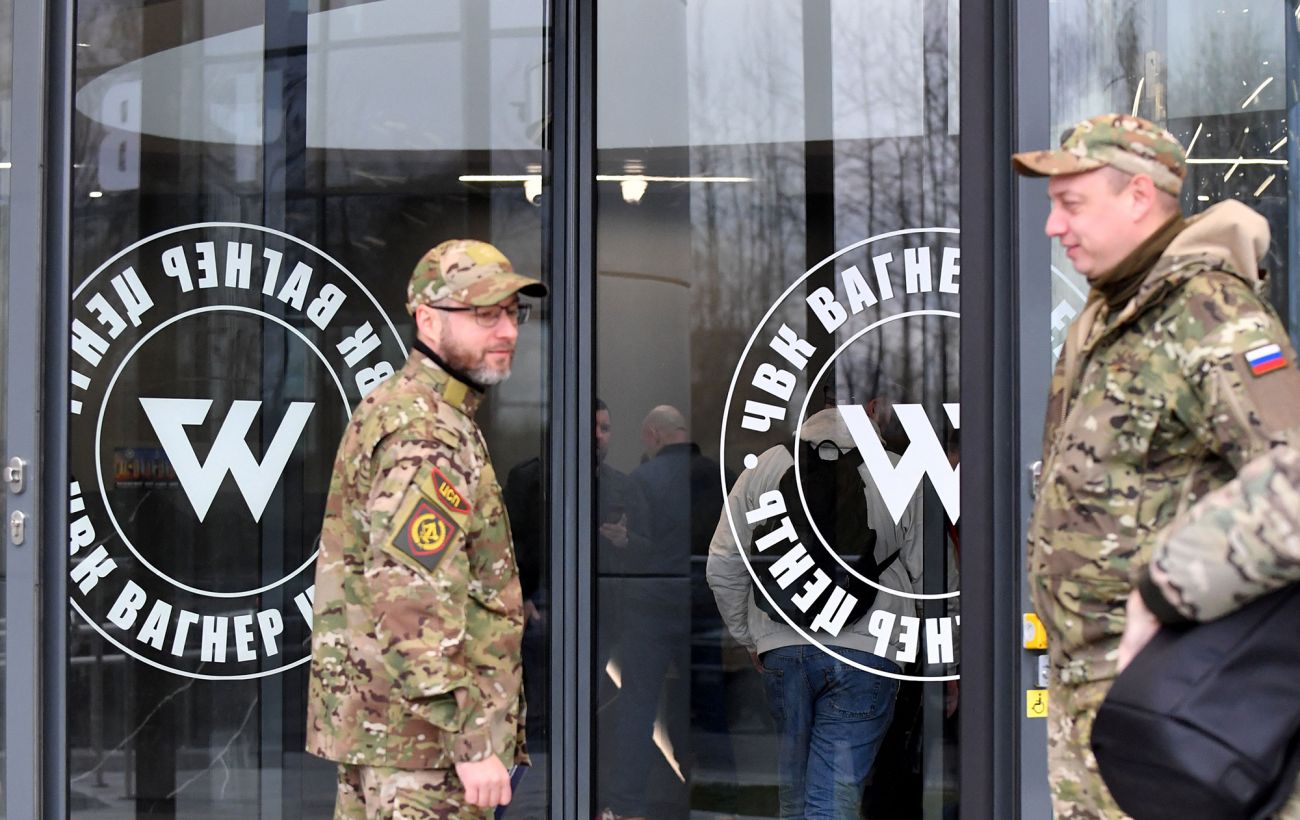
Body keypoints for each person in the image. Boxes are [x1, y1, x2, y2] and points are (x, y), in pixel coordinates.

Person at [1014, 113, 1300, 818]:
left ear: (1139, 195)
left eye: (1071, 203)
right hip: (1096, 704)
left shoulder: (1210, 315)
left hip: (1180, 707)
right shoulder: (1110, 318)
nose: (1053, 226)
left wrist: (1172, 585)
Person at [305, 239, 547, 818]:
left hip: (394, 738)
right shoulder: (425, 430)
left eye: (512, 312)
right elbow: (410, 596)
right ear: (428, 320)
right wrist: (469, 741)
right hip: (421, 755)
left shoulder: (415, 410)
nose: (507, 331)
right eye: (484, 314)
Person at [706, 393, 923, 819]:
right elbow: (935, 574)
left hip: (783, 646)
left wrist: (750, 638)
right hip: (868, 647)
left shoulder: (765, 468)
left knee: (795, 796)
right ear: (872, 408)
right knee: (832, 798)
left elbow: (722, 564)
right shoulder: (899, 471)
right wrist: (945, 661)